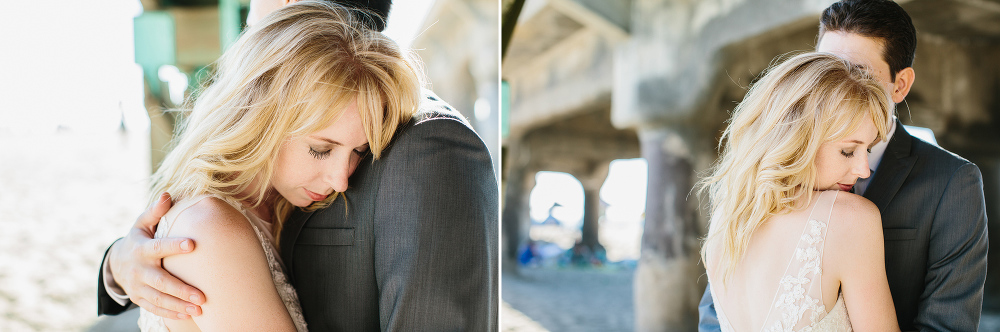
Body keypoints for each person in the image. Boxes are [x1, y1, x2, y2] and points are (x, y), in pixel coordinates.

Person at [96, 0, 499, 331]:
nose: (342, 180)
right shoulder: (209, 228)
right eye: (321, 149)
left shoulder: (279, 201)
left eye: (359, 151)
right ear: (261, 116)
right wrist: (116, 265)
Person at [699, 1, 988, 331]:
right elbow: (713, 315)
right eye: (826, 65)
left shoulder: (951, 182)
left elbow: (948, 323)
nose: (837, 82)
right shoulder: (740, 196)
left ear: (901, 85)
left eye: (858, 72)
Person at [700, 52, 898, 331]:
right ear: (797, 138)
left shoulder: (725, 220)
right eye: (848, 151)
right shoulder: (850, 218)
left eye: (867, 150)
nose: (864, 170)